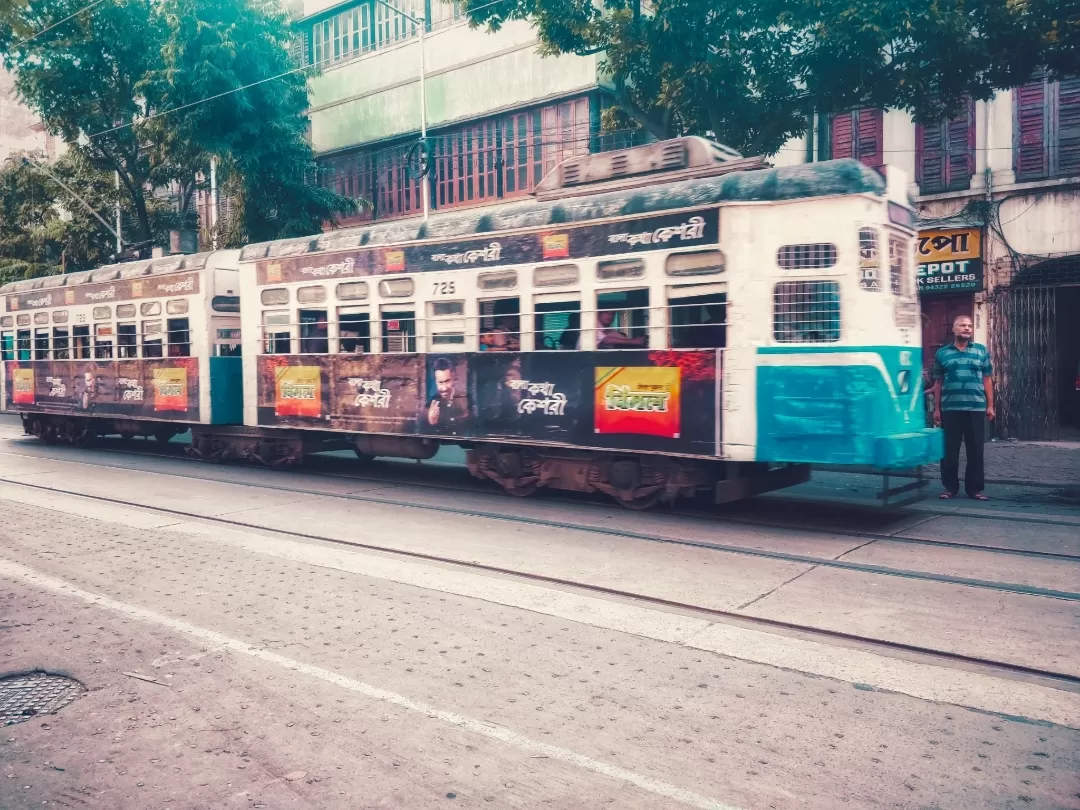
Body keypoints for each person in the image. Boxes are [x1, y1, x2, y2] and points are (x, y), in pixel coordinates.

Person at [932, 314, 994, 501]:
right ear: (954, 329)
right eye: (962, 325)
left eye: (969, 326)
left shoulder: (981, 351)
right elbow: (938, 383)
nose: (967, 328)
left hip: (976, 408)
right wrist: (936, 409)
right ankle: (950, 488)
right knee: (950, 451)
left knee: (976, 451)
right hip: (950, 409)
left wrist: (990, 405)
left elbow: (987, 379)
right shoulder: (942, 354)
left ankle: (974, 489)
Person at [426, 356, 468, 432]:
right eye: (440, 382)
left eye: (447, 381)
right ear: (436, 382)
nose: (444, 388)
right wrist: (432, 423)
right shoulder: (431, 403)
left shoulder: (467, 399)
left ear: (454, 378)